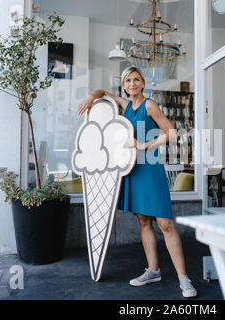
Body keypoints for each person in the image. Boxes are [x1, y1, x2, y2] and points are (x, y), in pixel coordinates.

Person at [77, 66, 197, 298]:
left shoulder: (149, 105)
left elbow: (171, 132)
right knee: (143, 222)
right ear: (123, 85)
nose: (132, 84)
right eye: (127, 81)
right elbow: (103, 92)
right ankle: (153, 271)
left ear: (142, 83)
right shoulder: (123, 105)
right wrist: (92, 97)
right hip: (132, 169)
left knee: (165, 224)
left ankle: (184, 278)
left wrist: (143, 145)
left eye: (136, 80)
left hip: (150, 168)